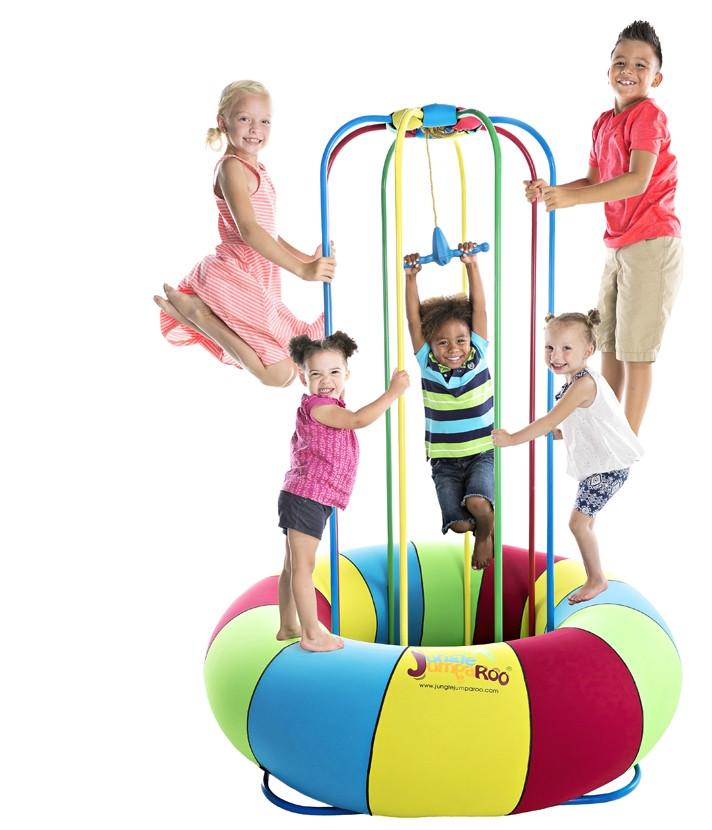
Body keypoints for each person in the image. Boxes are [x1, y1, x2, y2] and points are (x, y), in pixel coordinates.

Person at [524, 21, 682, 434]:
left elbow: (637, 180)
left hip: (652, 241)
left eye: (641, 65)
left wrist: (572, 199)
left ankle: (624, 439)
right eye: (620, 62)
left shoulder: (649, 116)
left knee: (636, 350)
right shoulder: (603, 123)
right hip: (619, 244)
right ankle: (601, 428)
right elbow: (593, 180)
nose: (628, 70)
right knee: (608, 342)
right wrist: (554, 191)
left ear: (656, 78)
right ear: (609, 68)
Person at [154, 80, 336, 387]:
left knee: (289, 368)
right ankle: (199, 316)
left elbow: (268, 233)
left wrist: (307, 258)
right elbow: (250, 231)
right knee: (280, 373)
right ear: (222, 122)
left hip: (257, 275)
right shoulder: (231, 168)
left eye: (264, 121)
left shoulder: (258, 170)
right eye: (244, 119)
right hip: (234, 275)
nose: (255, 129)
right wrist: (302, 270)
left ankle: (199, 317)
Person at [492, 311, 642, 604]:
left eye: (566, 348)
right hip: (602, 463)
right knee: (585, 521)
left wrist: (511, 439)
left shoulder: (583, 384)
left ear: (588, 351)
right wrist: (563, 433)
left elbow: (549, 420)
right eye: (549, 347)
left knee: (578, 523)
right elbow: (591, 419)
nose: (555, 356)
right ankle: (594, 570)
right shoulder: (578, 379)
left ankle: (596, 579)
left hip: (608, 467)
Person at [277, 332, 409, 650]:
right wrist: (392, 393)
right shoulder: (319, 407)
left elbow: (344, 408)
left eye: (334, 372)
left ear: (347, 374)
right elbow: (358, 420)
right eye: (316, 374)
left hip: (310, 496)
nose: (326, 381)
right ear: (303, 377)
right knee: (303, 567)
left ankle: (288, 625)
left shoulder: (329, 404)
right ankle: (311, 634)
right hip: (307, 497)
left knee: (293, 565)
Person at [404, 243, 494, 570]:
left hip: (480, 452)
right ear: (431, 344)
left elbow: (480, 310)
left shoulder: (478, 353)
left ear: (471, 338)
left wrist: (471, 265)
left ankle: (486, 534)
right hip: (444, 460)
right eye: (443, 342)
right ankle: (476, 527)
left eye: (460, 340)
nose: (453, 348)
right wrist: (411, 279)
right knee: (457, 524)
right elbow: (414, 321)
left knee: (478, 503)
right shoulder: (427, 363)